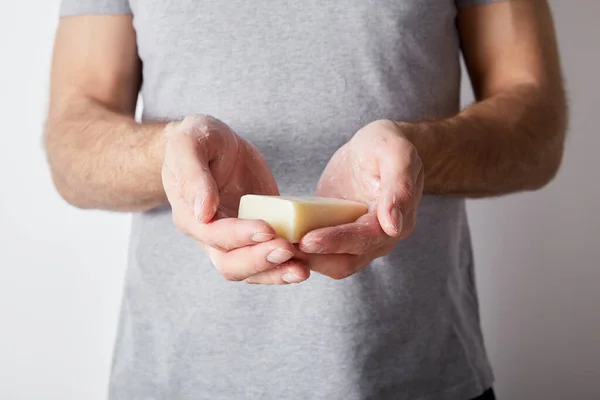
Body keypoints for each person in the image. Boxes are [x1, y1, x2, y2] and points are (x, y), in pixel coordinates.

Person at [44, 0, 566, 398]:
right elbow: (73, 144)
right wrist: (169, 153)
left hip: (414, 376)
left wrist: (420, 152)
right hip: (175, 378)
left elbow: (536, 128)